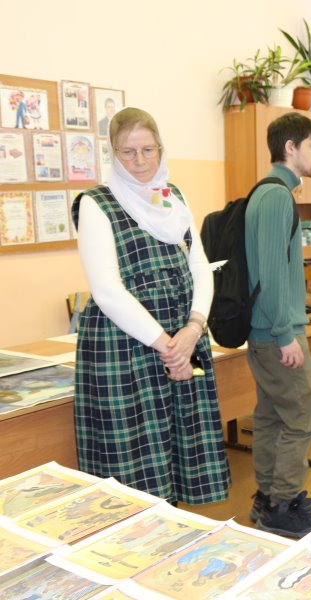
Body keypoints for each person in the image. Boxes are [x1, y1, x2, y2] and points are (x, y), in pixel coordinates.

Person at [72, 107, 230, 505]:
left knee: (182, 444)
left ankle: (178, 531)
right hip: (127, 345)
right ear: (113, 153)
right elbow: (107, 291)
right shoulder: (96, 204)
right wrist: (169, 347)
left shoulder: (171, 196)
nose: (140, 161)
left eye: (148, 150)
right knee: (136, 460)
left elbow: (200, 266)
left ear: (160, 148)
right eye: (128, 152)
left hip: (183, 336)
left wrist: (193, 329)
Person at [244, 112, 311, 538]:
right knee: (302, 418)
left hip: (264, 331)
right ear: (290, 148)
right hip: (278, 332)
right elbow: (273, 273)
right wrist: (285, 334)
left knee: (271, 416)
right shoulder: (277, 196)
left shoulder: (265, 191)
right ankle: (281, 504)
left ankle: (267, 496)